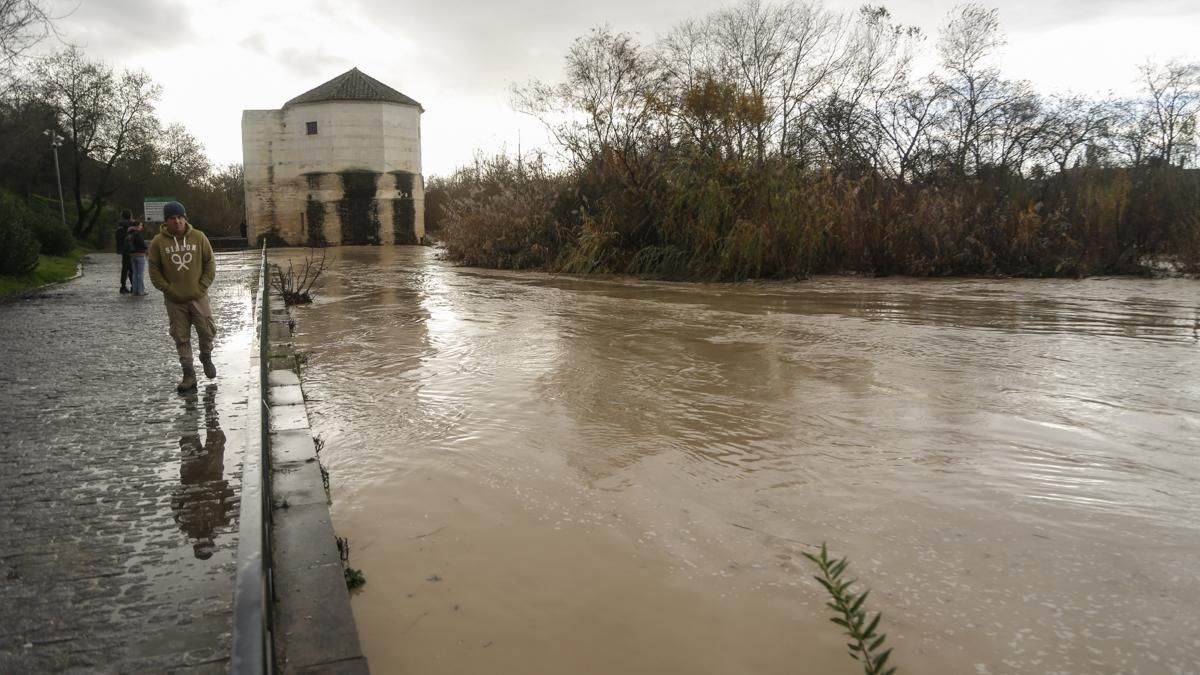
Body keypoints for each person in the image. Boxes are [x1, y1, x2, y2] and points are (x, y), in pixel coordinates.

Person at [148, 201, 218, 393]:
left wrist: (202, 286)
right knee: (181, 337)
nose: (177, 222)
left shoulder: (198, 237)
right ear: (166, 221)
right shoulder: (158, 243)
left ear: (185, 218)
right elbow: (154, 269)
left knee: (207, 331)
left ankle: (206, 355)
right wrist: (167, 289)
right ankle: (188, 374)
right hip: (174, 300)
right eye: (172, 218)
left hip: (198, 296)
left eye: (180, 217)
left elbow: (210, 263)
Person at [127, 220, 149, 296]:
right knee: (140, 274)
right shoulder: (138, 234)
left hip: (132, 255)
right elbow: (142, 244)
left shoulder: (129, 233)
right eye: (140, 225)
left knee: (134, 273)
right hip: (140, 255)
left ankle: (135, 290)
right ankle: (141, 291)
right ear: (137, 226)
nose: (141, 227)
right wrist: (147, 248)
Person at [115, 209, 134, 293]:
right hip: (130, 249)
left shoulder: (120, 224)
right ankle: (132, 286)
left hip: (122, 248)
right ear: (130, 216)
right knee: (131, 268)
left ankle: (123, 286)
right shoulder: (130, 224)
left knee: (125, 268)